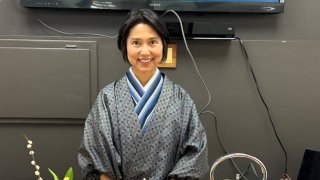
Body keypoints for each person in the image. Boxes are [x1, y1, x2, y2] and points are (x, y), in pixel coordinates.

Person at [78, 8, 208, 180]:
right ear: (124, 45)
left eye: (153, 42)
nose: (145, 52)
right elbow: (92, 153)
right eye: (136, 43)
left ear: (163, 45)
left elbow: (196, 152)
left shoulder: (181, 99)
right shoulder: (107, 98)